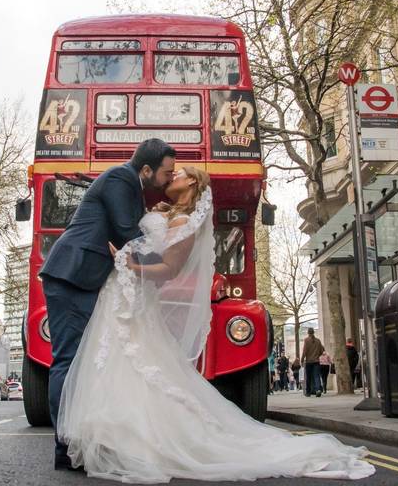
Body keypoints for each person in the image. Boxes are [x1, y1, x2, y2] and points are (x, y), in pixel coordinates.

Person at [58, 167, 373, 482]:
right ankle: (115, 435)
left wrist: (129, 262)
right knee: (124, 364)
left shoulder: (186, 223)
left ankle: (139, 438)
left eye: (178, 173)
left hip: (134, 296)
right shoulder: (165, 213)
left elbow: (168, 269)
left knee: (139, 366)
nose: (172, 176)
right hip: (126, 298)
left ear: (192, 181)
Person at [41, 138, 176, 472]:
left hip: (86, 279)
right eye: (165, 173)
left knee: (84, 360)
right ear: (146, 169)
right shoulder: (119, 178)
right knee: (68, 360)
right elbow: (127, 231)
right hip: (71, 276)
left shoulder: (133, 187)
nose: (168, 180)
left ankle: (80, 439)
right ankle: (64, 446)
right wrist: (172, 261)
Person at [300, 328, 325, 397]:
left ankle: (308, 392)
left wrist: (302, 360)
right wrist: (317, 355)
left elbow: (304, 351)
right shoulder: (318, 341)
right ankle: (318, 390)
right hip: (316, 361)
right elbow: (322, 351)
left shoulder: (306, 340)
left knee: (308, 377)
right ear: (313, 332)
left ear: (308, 333)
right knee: (317, 376)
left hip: (309, 361)